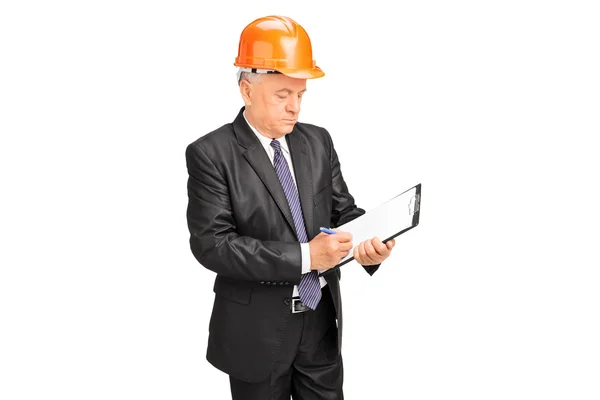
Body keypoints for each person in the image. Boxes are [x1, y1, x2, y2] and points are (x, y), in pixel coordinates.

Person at [185, 15, 396, 400]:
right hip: (256, 333)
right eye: (282, 95)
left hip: (319, 327)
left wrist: (369, 245)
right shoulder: (211, 154)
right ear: (247, 90)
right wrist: (305, 257)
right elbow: (212, 245)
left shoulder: (317, 142)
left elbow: (341, 211)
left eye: (300, 95)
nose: (294, 107)